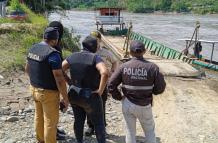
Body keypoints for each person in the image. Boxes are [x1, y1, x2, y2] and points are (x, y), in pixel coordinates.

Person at [108, 40, 166, 143]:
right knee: (149, 131)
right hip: (145, 104)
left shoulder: (123, 67)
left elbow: (111, 84)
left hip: (128, 103)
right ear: (144, 51)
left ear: (130, 52)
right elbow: (160, 87)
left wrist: (119, 97)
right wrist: (152, 92)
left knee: (130, 131)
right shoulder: (153, 67)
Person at [25, 27, 69, 143]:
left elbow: (27, 69)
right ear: (55, 40)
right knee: (50, 122)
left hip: (34, 89)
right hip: (48, 93)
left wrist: (35, 81)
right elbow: (59, 79)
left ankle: (40, 140)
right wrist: (65, 97)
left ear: (44, 37)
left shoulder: (33, 48)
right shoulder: (53, 54)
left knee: (38, 117)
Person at [62, 36, 109, 143]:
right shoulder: (95, 58)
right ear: (94, 47)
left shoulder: (72, 56)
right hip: (90, 95)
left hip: (74, 94)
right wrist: (100, 90)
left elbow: (60, 69)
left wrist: (69, 82)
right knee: (98, 123)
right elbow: (105, 73)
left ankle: (79, 141)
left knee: (78, 121)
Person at [84, 31, 118, 136]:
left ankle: (102, 126)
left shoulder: (106, 53)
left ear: (100, 40)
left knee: (101, 105)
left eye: (96, 40)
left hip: (101, 83)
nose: (94, 42)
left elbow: (115, 62)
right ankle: (90, 126)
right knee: (88, 105)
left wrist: (112, 73)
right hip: (89, 82)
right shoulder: (87, 52)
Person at [48, 21, 67, 140]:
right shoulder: (55, 48)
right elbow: (59, 73)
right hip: (52, 84)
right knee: (52, 112)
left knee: (47, 113)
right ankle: (52, 133)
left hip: (40, 82)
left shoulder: (42, 45)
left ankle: (52, 130)